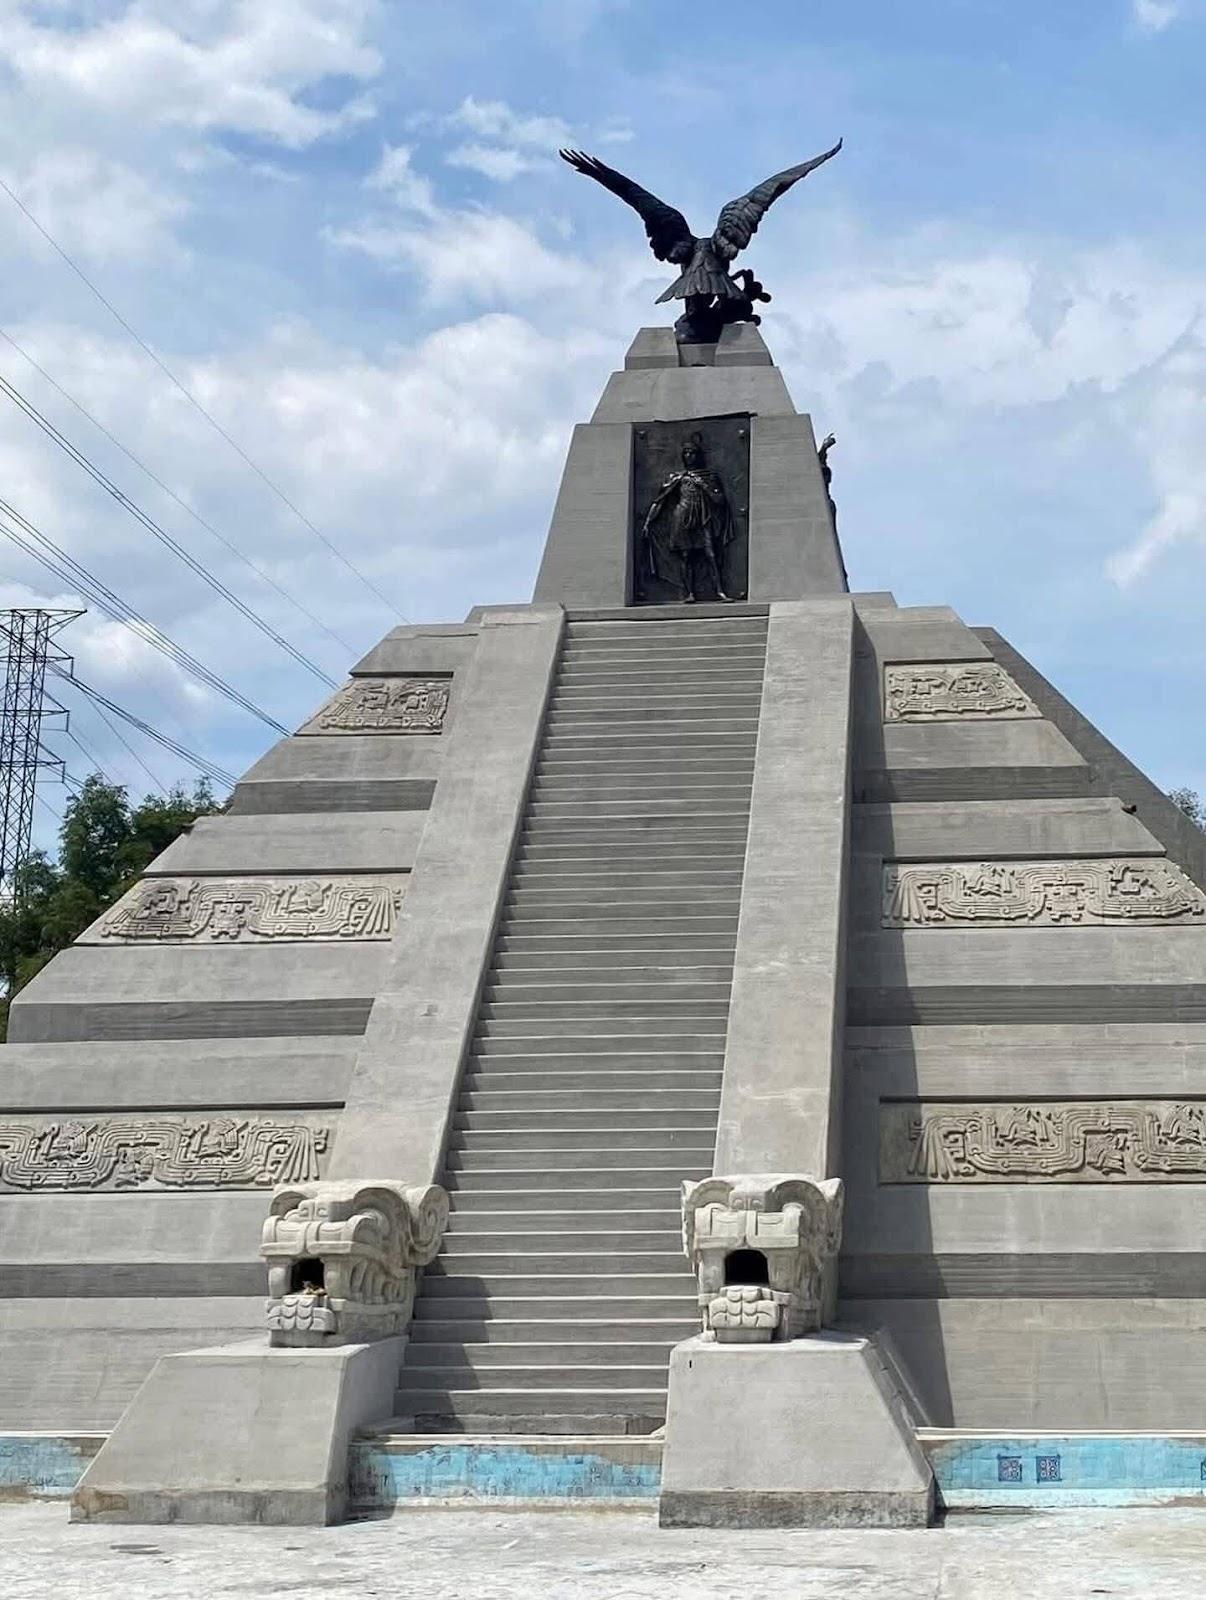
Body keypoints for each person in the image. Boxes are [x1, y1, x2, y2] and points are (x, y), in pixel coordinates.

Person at [641, 435, 734, 602]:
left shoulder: (709, 476)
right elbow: (660, 501)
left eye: (692, 453)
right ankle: (689, 593)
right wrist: (648, 522)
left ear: (698, 456)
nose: (689, 456)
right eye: (686, 453)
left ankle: (720, 591)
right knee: (685, 556)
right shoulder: (677, 477)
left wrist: (704, 486)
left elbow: (720, 501)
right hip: (681, 516)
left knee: (710, 554)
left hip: (702, 518)